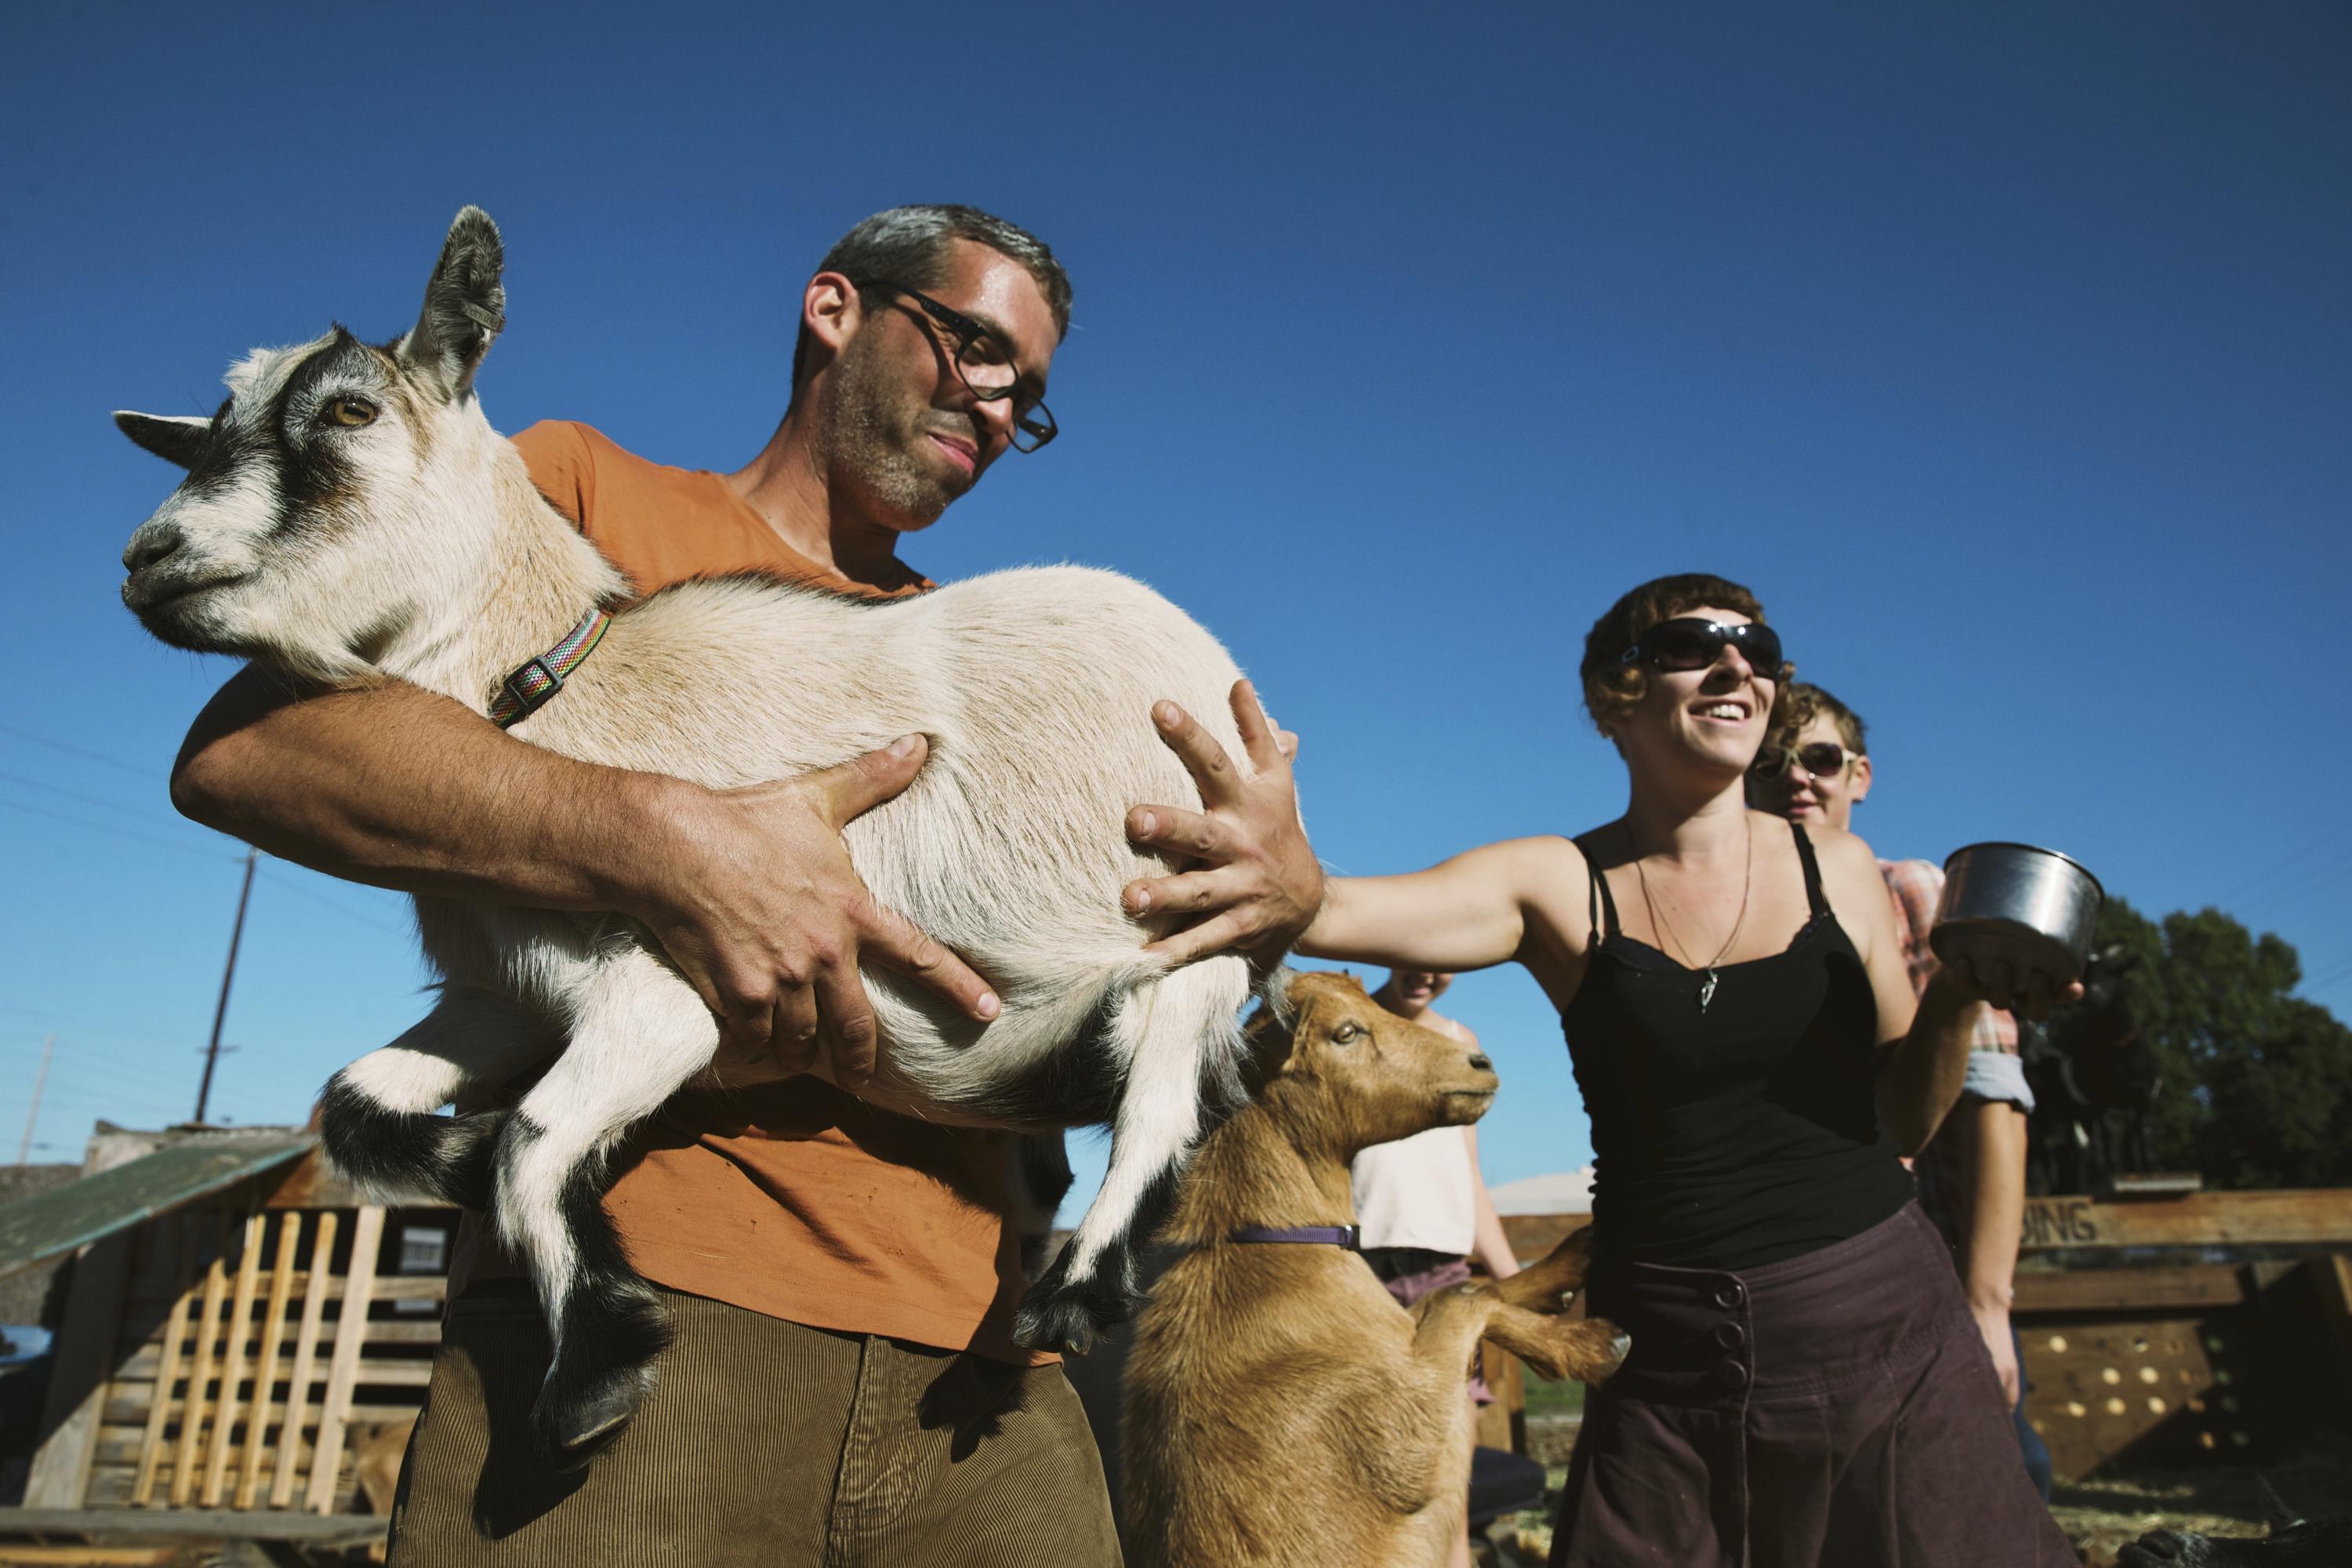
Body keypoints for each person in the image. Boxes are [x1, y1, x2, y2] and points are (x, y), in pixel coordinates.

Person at [167, 204, 1318, 1566]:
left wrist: (1287, 899)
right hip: (665, 1336)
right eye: (973, 350)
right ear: (837, 310)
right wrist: (676, 840)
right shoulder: (570, 506)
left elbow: (1160, 957)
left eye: (1032, 399)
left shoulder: (1007, 670)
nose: (1000, 408)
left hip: (991, 1371)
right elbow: (255, 752)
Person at [1128, 572, 2078, 1566]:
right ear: (1613, 696)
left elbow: (1901, 1124)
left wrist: (1962, 997)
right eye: (1694, 645)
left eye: (1757, 648)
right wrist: (1279, 861)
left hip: (1884, 1329)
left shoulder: (1836, 865)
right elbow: (1331, 908)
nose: (1735, 666)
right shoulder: (1558, 882)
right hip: (1671, 1362)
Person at [1748, 681, 2055, 1499]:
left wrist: (1988, 1302)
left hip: (1926, 1250)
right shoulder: (1725, 921)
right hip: (1794, 1266)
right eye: (1770, 762)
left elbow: (1992, 1100)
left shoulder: (1907, 889)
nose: (1797, 779)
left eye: (1819, 758)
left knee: (1996, 1474)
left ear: (1861, 775)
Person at [1350, 969, 1523, 1568]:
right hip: (1356, 1272)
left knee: (1451, 1485)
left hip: (1445, 1277)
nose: (1426, 973)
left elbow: (1467, 1176)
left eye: (1442, 962)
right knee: (1365, 1472)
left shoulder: (1460, 1039)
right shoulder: (1352, 1027)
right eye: (1411, 957)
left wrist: (1513, 1282)